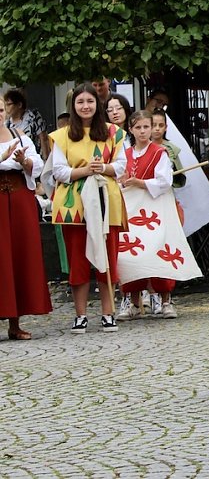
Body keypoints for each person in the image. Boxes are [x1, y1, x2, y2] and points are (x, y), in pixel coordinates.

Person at [50, 83, 127, 334]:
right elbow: (58, 171)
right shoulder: (62, 136)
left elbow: (122, 166)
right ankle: (80, 314)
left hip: (106, 201)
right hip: (74, 205)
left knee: (107, 257)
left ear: (98, 104)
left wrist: (102, 168)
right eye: (80, 102)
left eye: (90, 102)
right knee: (78, 260)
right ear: (73, 106)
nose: (86, 106)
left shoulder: (113, 133)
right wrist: (85, 170)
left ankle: (107, 312)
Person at [116, 111, 180, 320]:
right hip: (132, 212)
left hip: (154, 211)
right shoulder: (124, 155)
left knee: (159, 251)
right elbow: (118, 179)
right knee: (130, 253)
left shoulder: (158, 153)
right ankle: (133, 301)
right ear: (131, 130)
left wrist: (140, 183)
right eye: (138, 128)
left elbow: (164, 182)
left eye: (146, 127)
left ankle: (165, 300)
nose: (143, 131)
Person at [0, 99, 51, 340]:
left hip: (19, 198)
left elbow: (36, 165)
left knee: (18, 256)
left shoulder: (18, 135)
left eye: (0, 110)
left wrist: (23, 161)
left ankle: (14, 321)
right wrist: (3, 157)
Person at [4, 88, 49, 159]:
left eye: (9, 104)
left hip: (34, 159)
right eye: (5, 105)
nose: (6, 108)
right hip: (14, 161)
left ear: (19, 105)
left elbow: (43, 138)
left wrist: (46, 160)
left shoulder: (33, 116)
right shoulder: (7, 123)